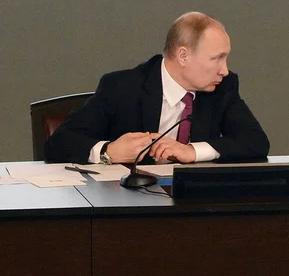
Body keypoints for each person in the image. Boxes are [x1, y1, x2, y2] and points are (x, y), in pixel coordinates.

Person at [45, 12, 270, 165]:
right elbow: (60, 142)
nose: (225, 70)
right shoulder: (122, 88)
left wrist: (192, 151)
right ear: (183, 55)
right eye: (216, 59)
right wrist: (108, 152)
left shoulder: (222, 88)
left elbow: (256, 141)